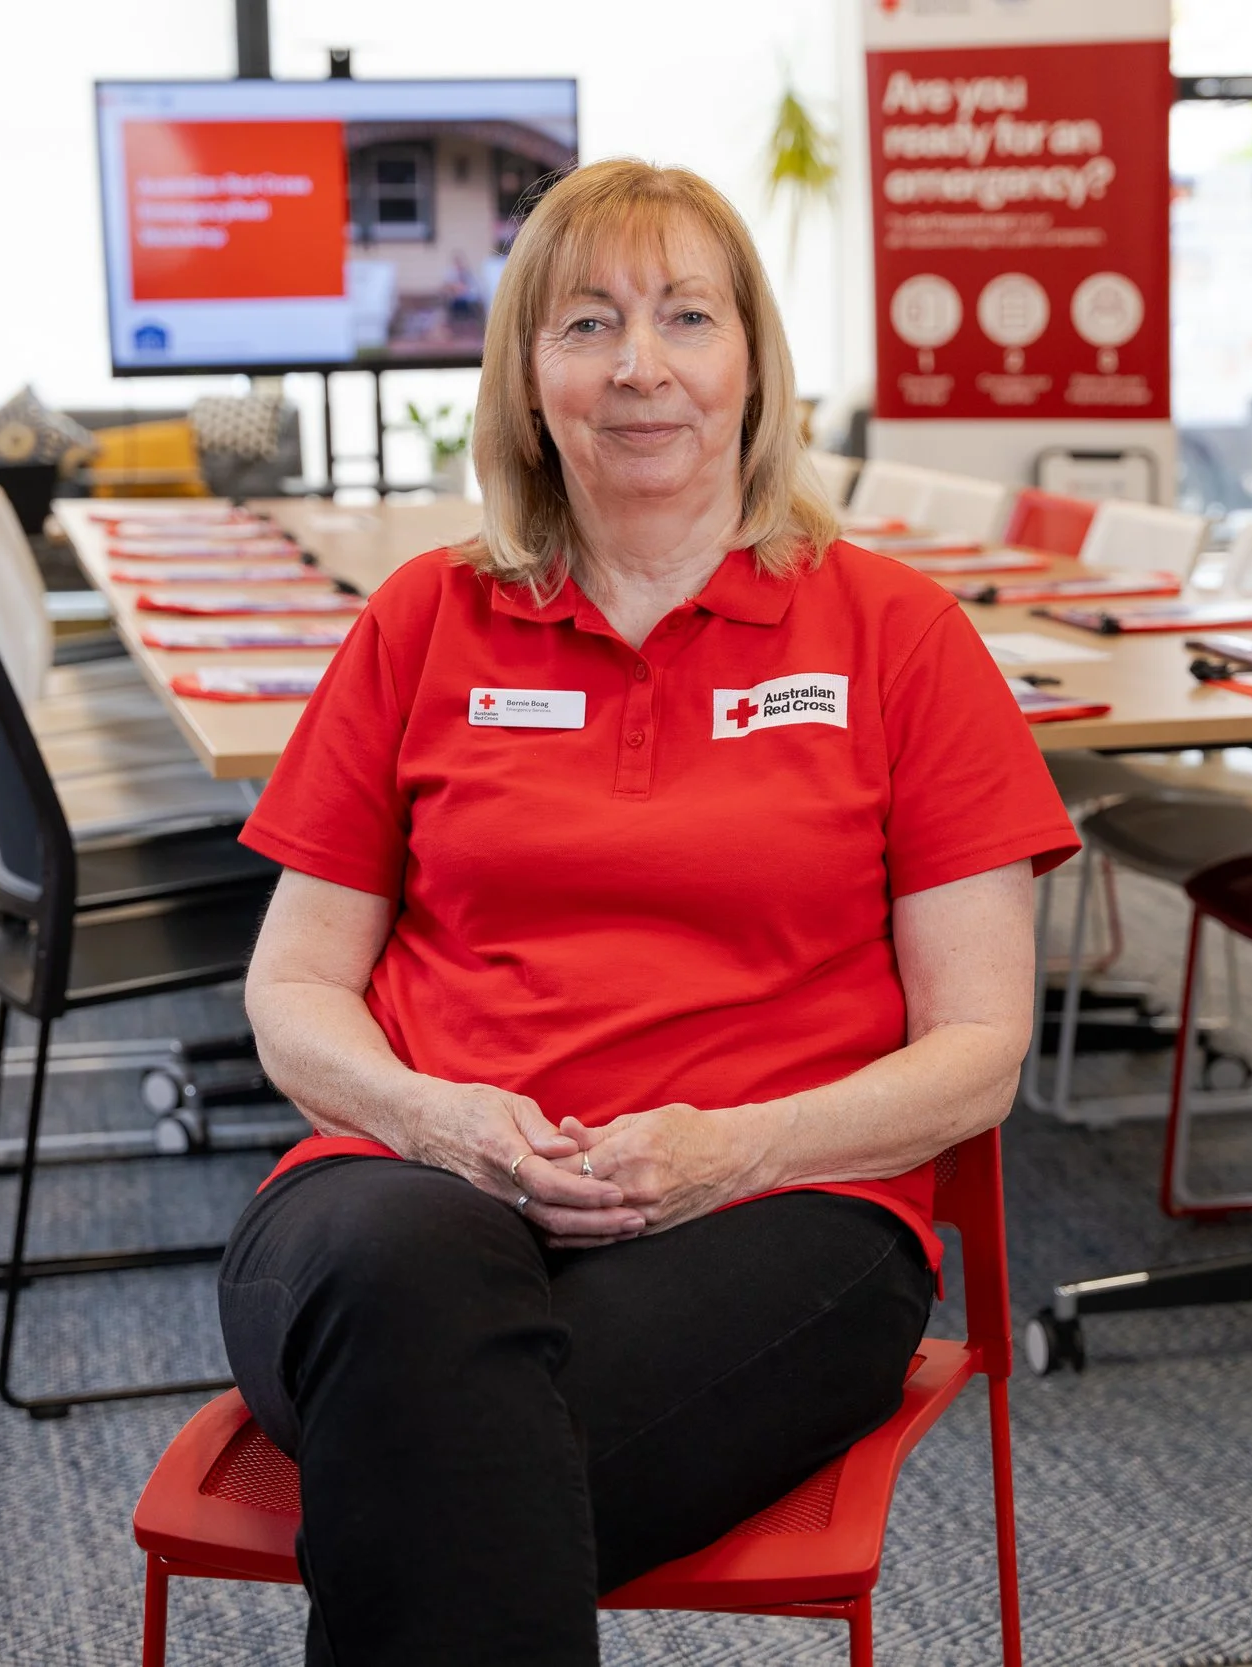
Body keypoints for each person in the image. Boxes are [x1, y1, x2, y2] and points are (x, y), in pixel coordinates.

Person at [221, 157, 1076, 1667]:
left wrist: (728, 1147)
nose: (641, 367)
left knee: (430, 1449)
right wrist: (436, 1120)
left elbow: (981, 1053)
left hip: (783, 1206)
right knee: (413, 1311)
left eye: (688, 316)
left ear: (751, 363)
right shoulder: (424, 618)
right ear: (525, 376)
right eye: (587, 324)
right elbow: (293, 987)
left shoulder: (899, 637)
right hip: (404, 1181)